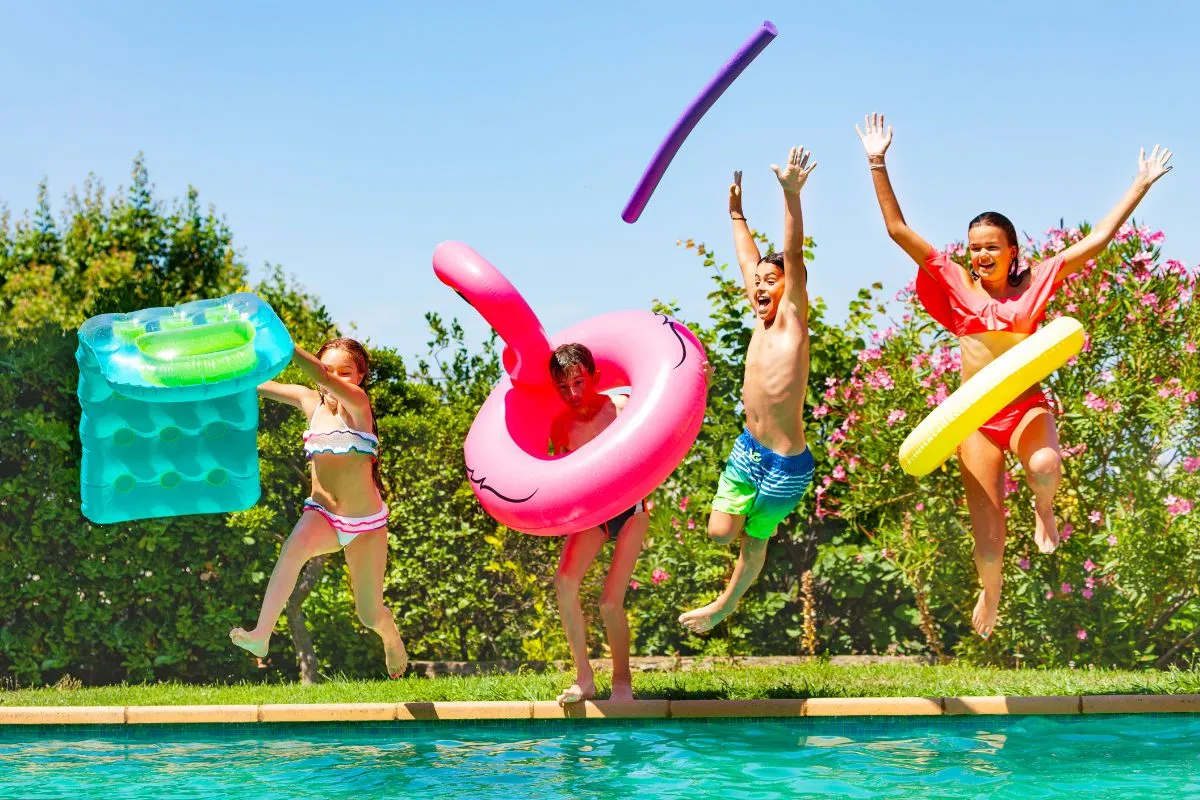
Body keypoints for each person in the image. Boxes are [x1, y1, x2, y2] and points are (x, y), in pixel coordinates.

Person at [856, 111, 1173, 636]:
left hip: (1025, 407)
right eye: (975, 246)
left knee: (1046, 464)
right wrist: (876, 160)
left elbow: (1095, 242)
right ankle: (992, 593)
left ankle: (1044, 509)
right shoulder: (955, 282)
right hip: (975, 419)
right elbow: (896, 229)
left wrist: (1138, 185)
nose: (981, 254)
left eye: (991, 247)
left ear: (1012, 252)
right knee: (988, 536)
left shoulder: (1037, 281)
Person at [679, 146, 818, 634]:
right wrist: (737, 214)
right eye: (756, 281)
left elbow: (793, 254)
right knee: (721, 535)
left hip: (787, 465)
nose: (758, 285)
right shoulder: (760, 319)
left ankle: (723, 605)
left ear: (790, 289)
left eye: (770, 280)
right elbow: (746, 258)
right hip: (749, 450)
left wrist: (790, 195)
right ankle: (725, 597)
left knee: (753, 543)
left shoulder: (792, 324)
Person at [230, 337, 407, 676]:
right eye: (330, 369)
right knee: (291, 552)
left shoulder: (358, 404)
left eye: (346, 372)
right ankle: (260, 636)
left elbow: (323, 377)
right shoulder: (309, 401)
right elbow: (257, 385)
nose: (337, 379)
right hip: (323, 515)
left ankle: (390, 638)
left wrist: (285, 344)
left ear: (360, 377)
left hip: (366, 525)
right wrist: (224, 374)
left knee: (369, 614)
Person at [548, 343, 649, 704]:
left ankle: (622, 683)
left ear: (595, 377)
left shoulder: (620, 408)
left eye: (579, 381)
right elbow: (562, 477)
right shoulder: (562, 425)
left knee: (609, 602)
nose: (573, 393)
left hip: (630, 511)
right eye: (563, 387)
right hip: (593, 516)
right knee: (564, 582)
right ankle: (584, 678)